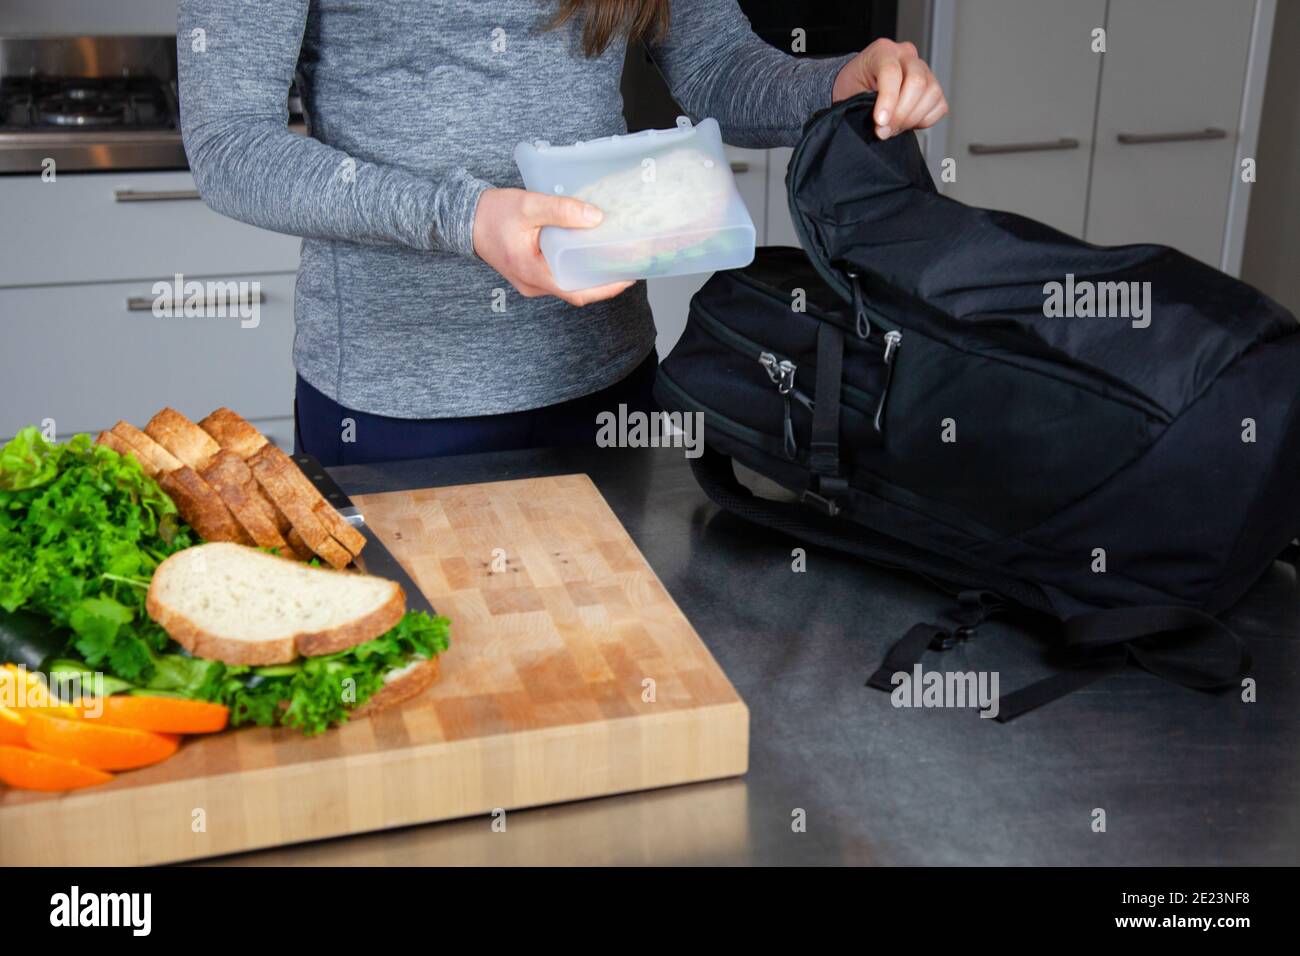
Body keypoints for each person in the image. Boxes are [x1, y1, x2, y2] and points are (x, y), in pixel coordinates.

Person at [177, 0, 946, 465]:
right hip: (397, 401)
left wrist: (835, 84)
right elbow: (230, 144)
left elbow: (715, 66)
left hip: (605, 373)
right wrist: (468, 218)